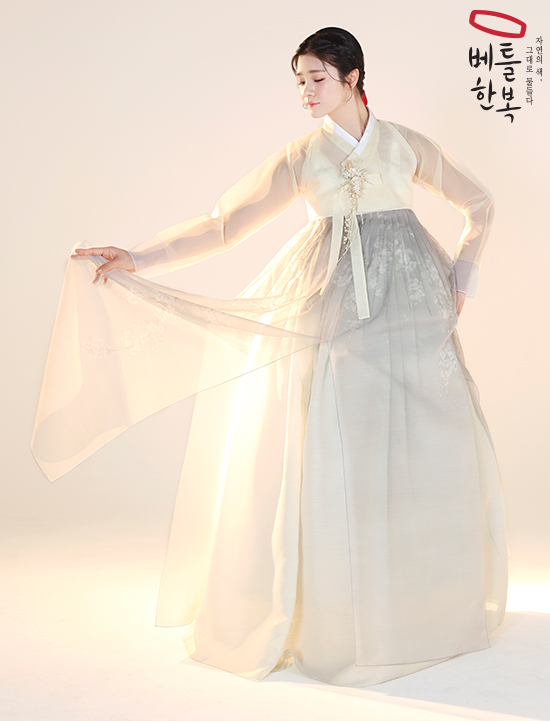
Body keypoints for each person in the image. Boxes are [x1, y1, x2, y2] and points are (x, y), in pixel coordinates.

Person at [31, 27, 508, 687]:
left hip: (410, 303)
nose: (305, 92)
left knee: (424, 443)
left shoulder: (404, 145)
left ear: (353, 78)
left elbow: (479, 202)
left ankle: (417, 605)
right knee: (333, 448)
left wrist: (462, 277)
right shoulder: (301, 156)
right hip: (330, 305)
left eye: (317, 78)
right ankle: (333, 612)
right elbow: (224, 223)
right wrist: (137, 256)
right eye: (299, 81)